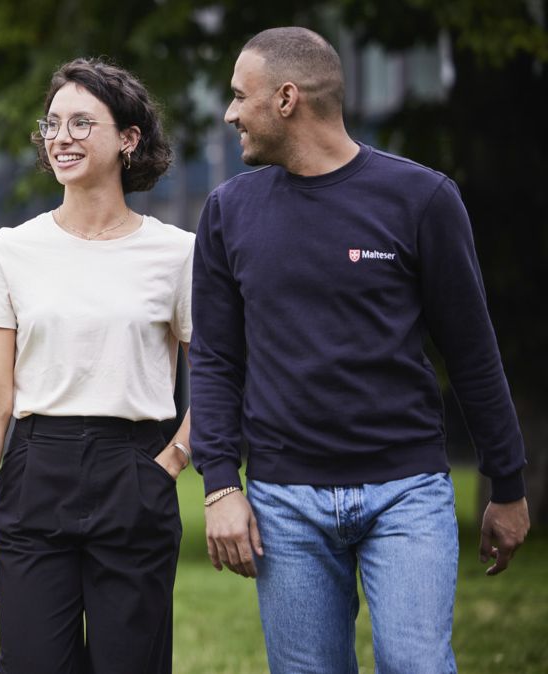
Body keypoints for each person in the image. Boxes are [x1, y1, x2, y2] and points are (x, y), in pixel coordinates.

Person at [190, 27, 531, 674]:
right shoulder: (227, 212)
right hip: (283, 502)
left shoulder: (422, 199)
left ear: (287, 98)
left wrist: (508, 485)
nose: (230, 113)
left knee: (416, 665)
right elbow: (214, 360)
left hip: (407, 491)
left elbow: (473, 351)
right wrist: (217, 487)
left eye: (240, 96)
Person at [0, 58, 194, 672]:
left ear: (129, 138)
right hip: (37, 470)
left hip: (136, 470)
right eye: (53, 124)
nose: (61, 138)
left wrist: (170, 462)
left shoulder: (177, 253)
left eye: (82, 123)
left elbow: (219, 375)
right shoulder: (11, 250)